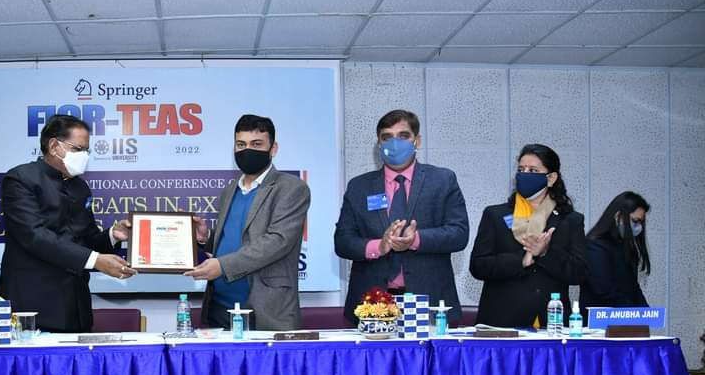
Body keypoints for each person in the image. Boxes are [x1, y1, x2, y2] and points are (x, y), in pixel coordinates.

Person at [0, 114, 133, 332]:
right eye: (78, 149)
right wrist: (95, 260)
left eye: (87, 151)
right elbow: (35, 236)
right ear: (54, 146)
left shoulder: (80, 187)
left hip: (75, 305)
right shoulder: (21, 179)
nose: (84, 156)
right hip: (32, 304)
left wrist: (113, 235)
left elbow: (86, 238)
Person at [334, 109, 468, 324]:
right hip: (373, 303)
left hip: (430, 300)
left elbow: (458, 234)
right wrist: (379, 246)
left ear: (417, 141)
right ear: (379, 144)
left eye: (403, 136)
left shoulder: (442, 180)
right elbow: (343, 241)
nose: (394, 143)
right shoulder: (359, 186)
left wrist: (415, 239)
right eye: (387, 137)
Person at [185, 114, 311, 331]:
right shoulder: (229, 190)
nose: (247, 150)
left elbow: (277, 241)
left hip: (266, 310)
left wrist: (222, 266)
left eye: (257, 144)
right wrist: (206, 238)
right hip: (220, 307)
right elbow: (232, 238)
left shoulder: (291, 188)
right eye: (241, 144)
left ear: (273, 148)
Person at [470, 143, 586, 328]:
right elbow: (478, 266)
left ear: (551, 178)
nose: (524, 174)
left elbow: (579, 274)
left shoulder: (570, 220)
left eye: (533, 170)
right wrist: (521, 260)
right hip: (502, 323)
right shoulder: (495, 215)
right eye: (521, 169)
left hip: (552, 323)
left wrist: (546, 253)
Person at [581, 191, 651, 311]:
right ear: (618, 216)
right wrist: (633, 312)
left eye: (641, 222)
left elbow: (633, 288)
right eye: (635, 221)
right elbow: (604, 290)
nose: (638, 227)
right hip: (599, 319)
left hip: (624, 317)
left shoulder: (626, 247)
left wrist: (646, 313)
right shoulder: (595, 246)